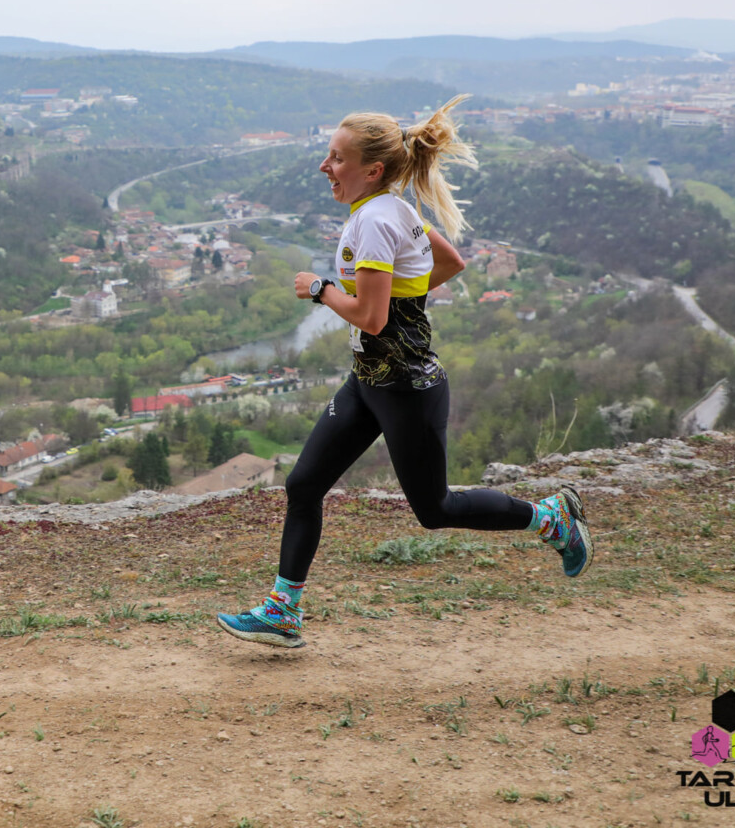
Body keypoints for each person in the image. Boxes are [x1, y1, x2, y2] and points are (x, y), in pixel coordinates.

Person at [217, 95, 592, 649]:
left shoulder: (374, 220)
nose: (325, 167)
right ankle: (283, 610)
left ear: (372, 170)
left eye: (336, 158)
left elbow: (371, 316)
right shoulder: (392, 208)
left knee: (434, 509)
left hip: (407, 390)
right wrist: (402, 300)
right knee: (304, 484)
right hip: (370, 383)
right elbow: (448, 263)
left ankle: (550, 518)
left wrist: (322, 290)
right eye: (328, 155)